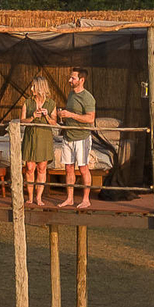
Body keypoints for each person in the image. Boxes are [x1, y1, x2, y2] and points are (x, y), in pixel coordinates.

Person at [56, 66, 97, 208]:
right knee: (68, 168)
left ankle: (86, 199)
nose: (69, 80)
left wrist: (71, 115)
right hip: (68, 136)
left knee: (83, 168)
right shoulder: (71, 94)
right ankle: (70, 198)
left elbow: (90, 119)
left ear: (81, 80)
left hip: (81, 137)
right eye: (70, 77)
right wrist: (63, 115)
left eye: (72, 78)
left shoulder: (88, 98)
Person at [19, 74, 57, 206]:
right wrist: (33, 116)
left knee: (42, 167)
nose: (31, 88)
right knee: (29, 168)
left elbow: (54, 123)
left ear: (40, 87)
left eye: (33, 86)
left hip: (44, 137)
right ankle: (29, 196)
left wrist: (46, 116)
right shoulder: (27, 102)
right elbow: (22, 121)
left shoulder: (51, 103)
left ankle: (39, 197)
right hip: (31, 137)